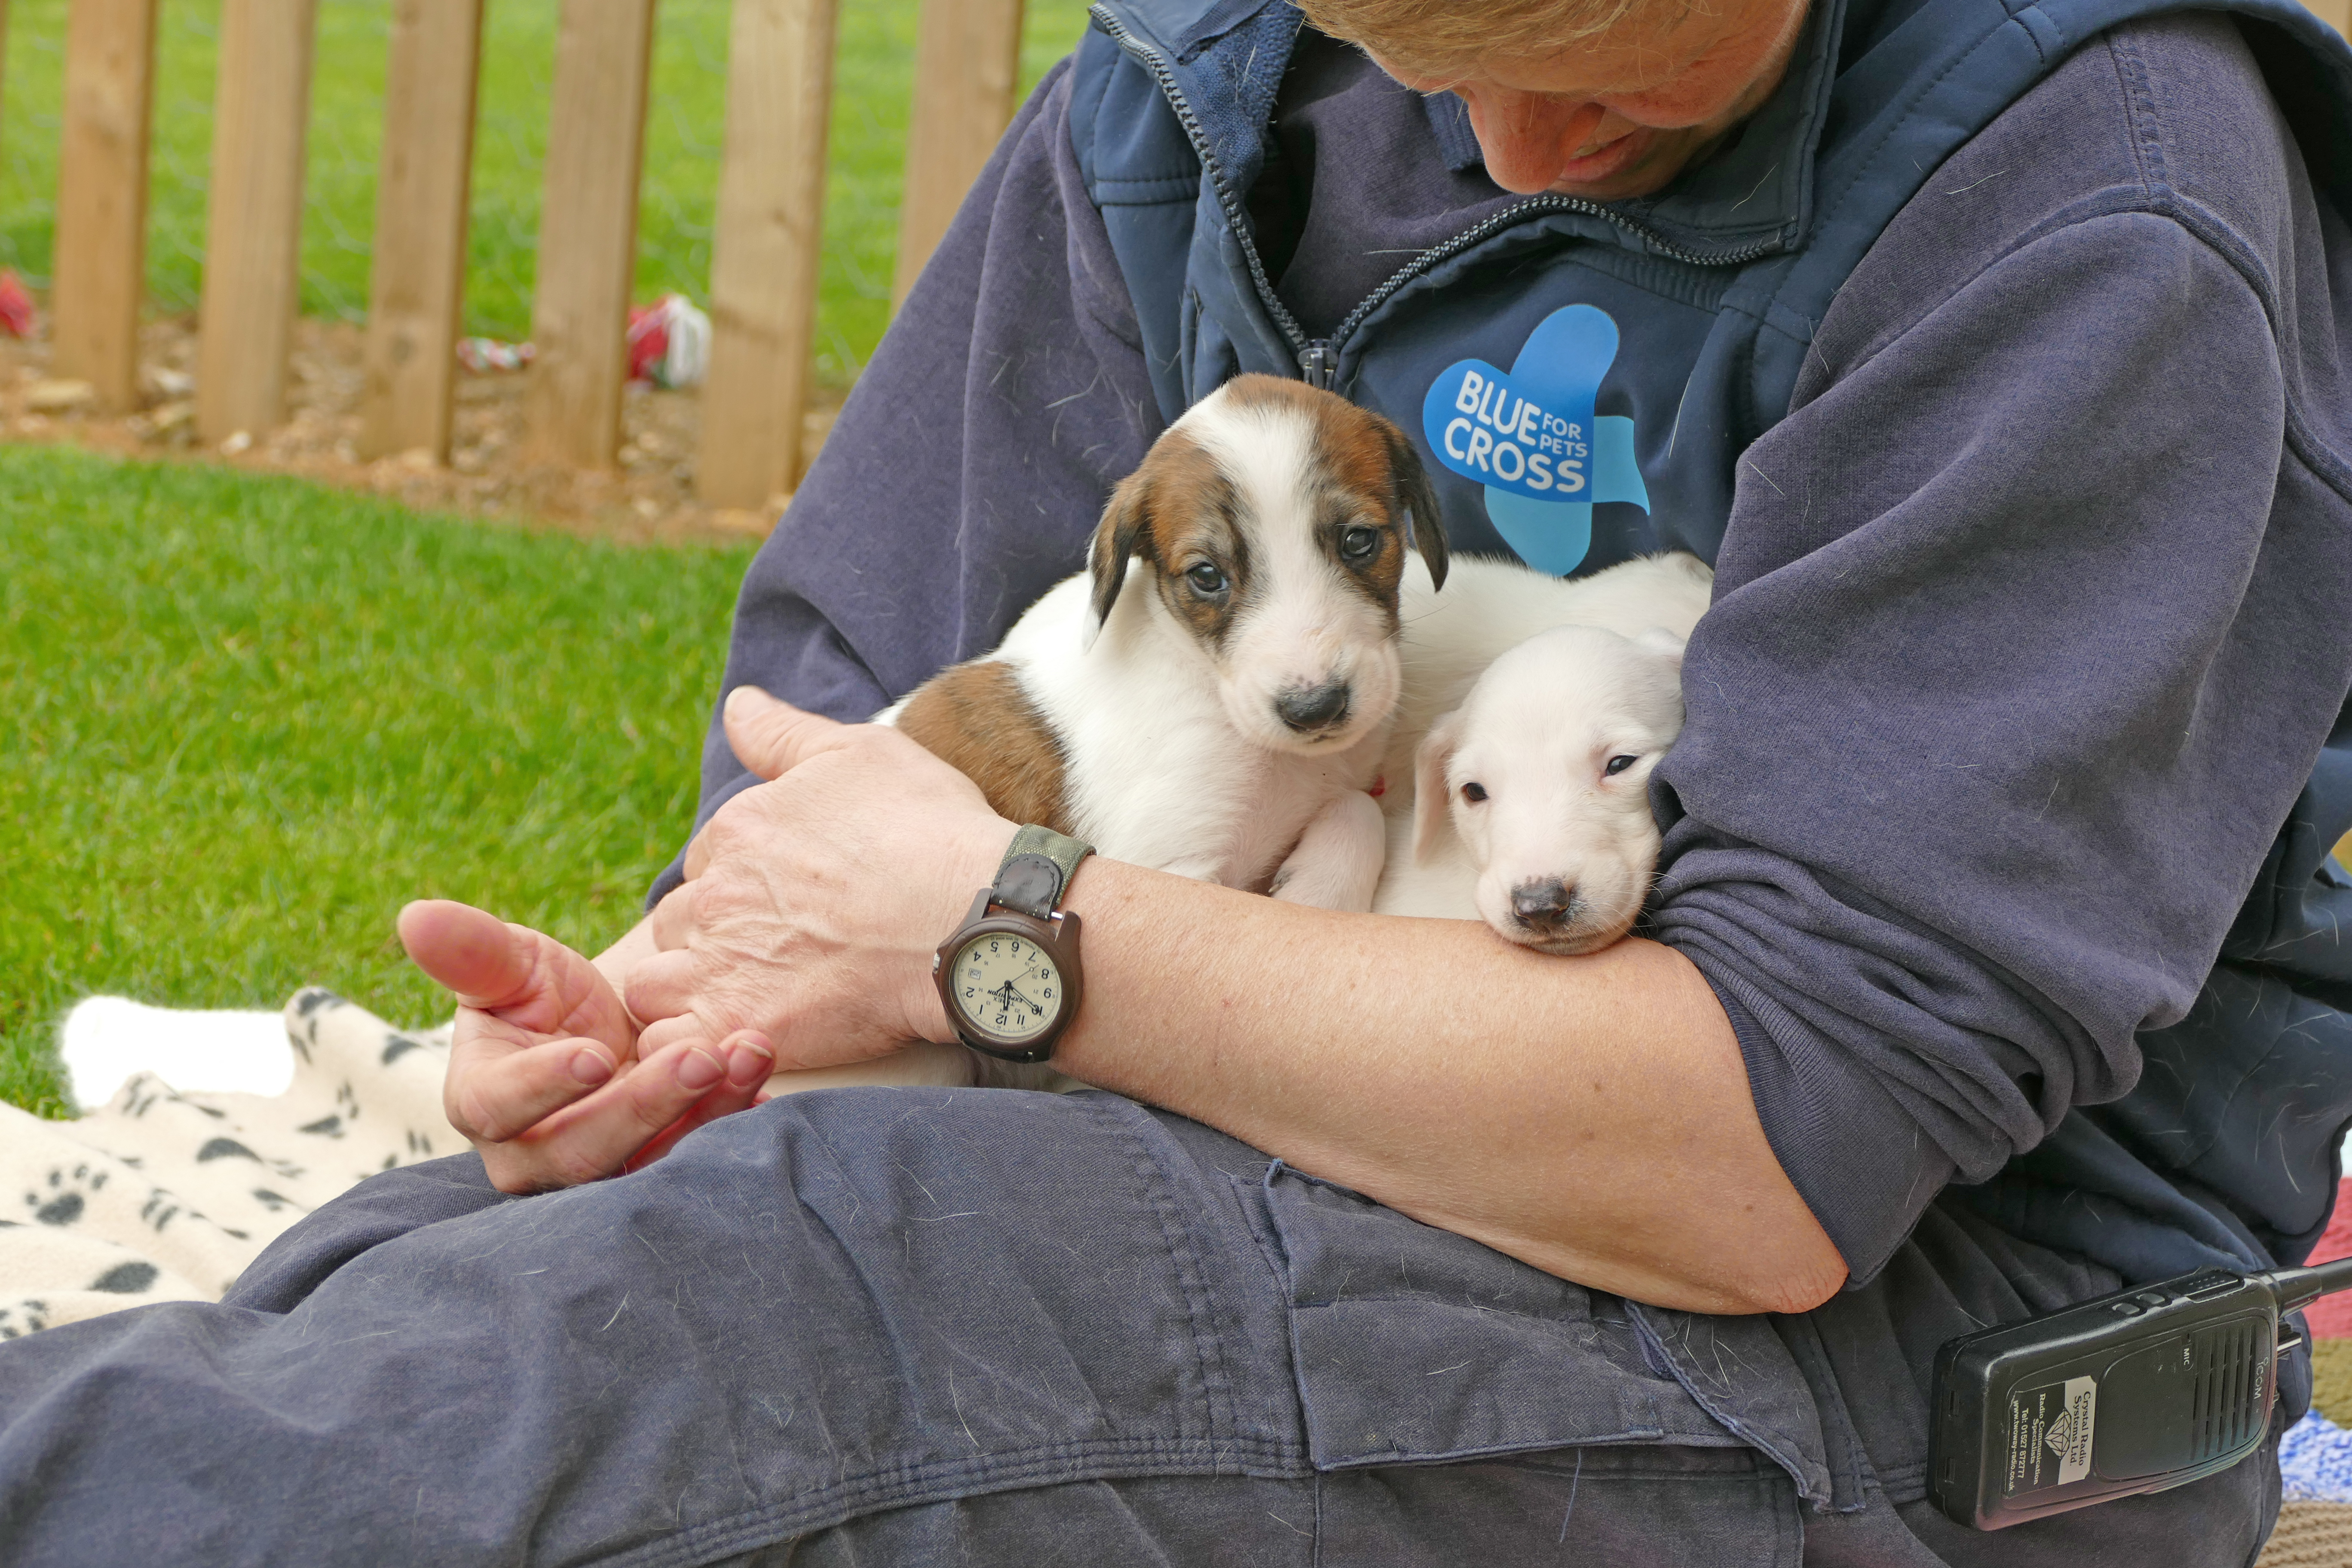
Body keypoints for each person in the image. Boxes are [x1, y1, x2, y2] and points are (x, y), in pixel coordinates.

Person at [3, 0, 2350, 1559]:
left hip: (1891, 1370)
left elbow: (1755, 1162)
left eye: (1606, 55)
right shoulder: (1216, 83)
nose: (1514, 152)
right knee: (407, 1296)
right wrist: (680, 1020)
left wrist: (1003, 938)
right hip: (1202, 1124)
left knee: (669, 1381)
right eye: (1422, 52)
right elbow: (842, 754)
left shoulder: (2094, 219)